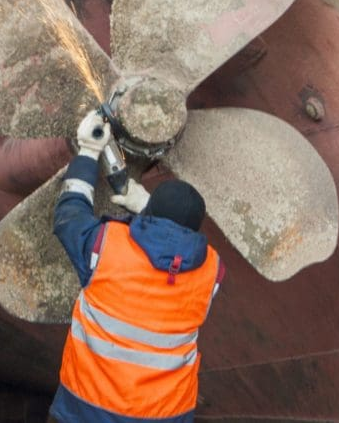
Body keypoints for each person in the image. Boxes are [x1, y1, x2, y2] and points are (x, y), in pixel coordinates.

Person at [49, 109, 225, 423]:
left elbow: (70, 216)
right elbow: (174, 245)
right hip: (165, 415)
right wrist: (147, 208)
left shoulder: (106, 247)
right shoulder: (211, 271)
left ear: (153, 212)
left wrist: (88, 152)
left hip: (86, 409)